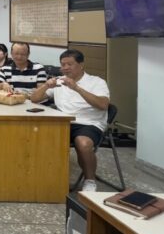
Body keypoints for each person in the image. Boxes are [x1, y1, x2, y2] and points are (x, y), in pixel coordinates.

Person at [30, 49, 110, 192]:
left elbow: (103, 105)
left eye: (70, 64)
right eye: (63, 64)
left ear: (81, 65)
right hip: (63, 121)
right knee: (37, 135)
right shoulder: (59, 81)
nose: (65, 68)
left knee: (83, 143)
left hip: (88, 123)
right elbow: (34, 99)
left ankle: (90, 180)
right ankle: (45, 177)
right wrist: (46, 85)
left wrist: (77, 88)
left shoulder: (97, 82)